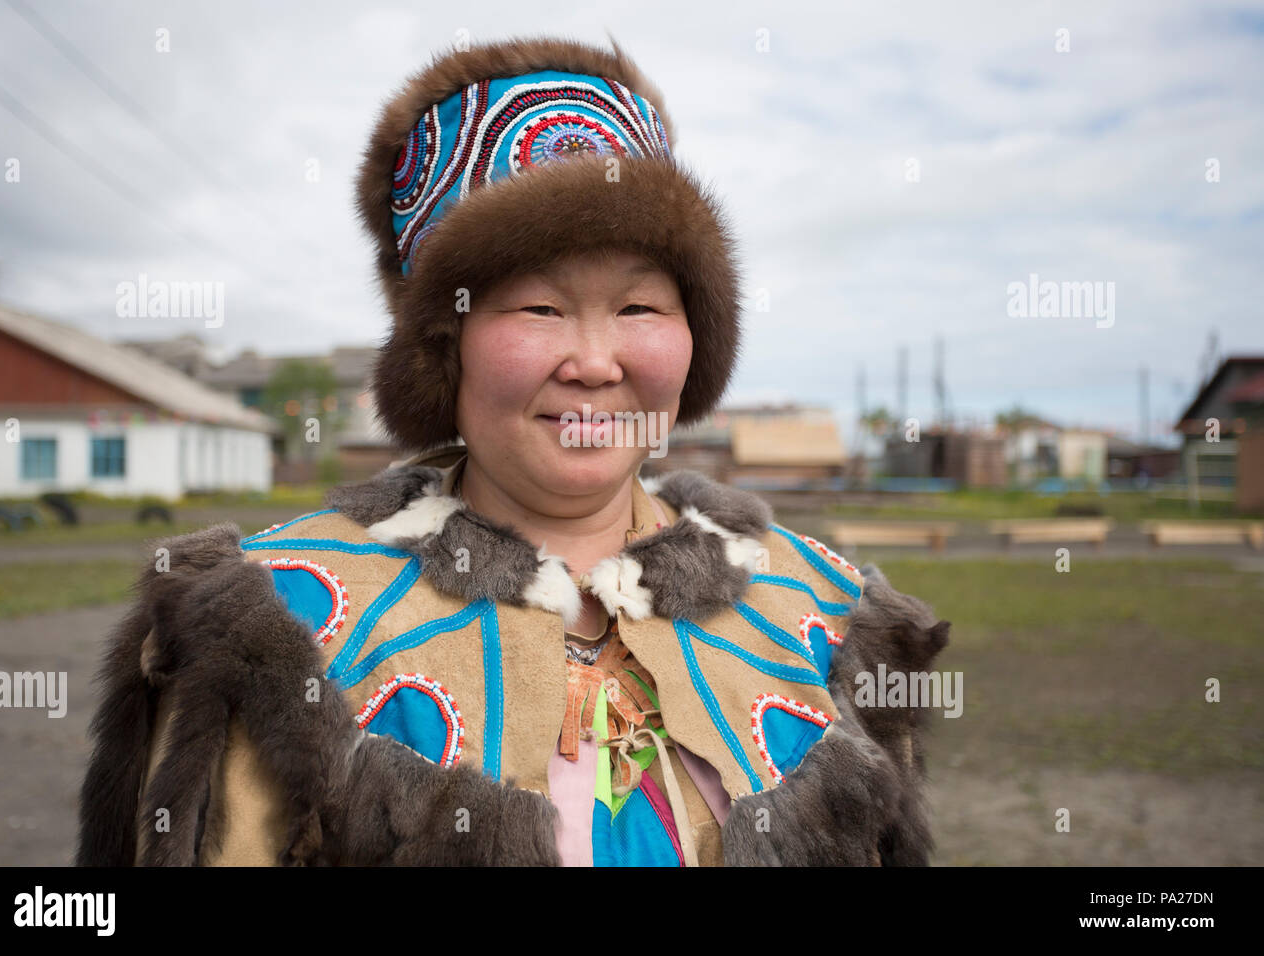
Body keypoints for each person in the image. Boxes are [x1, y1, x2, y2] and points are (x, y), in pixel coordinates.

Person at [76, 34, 948, 867]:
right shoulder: (281, 630)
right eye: (538, 310)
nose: (596, 362)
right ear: (443, 349)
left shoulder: (820, 611)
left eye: (640, 309)